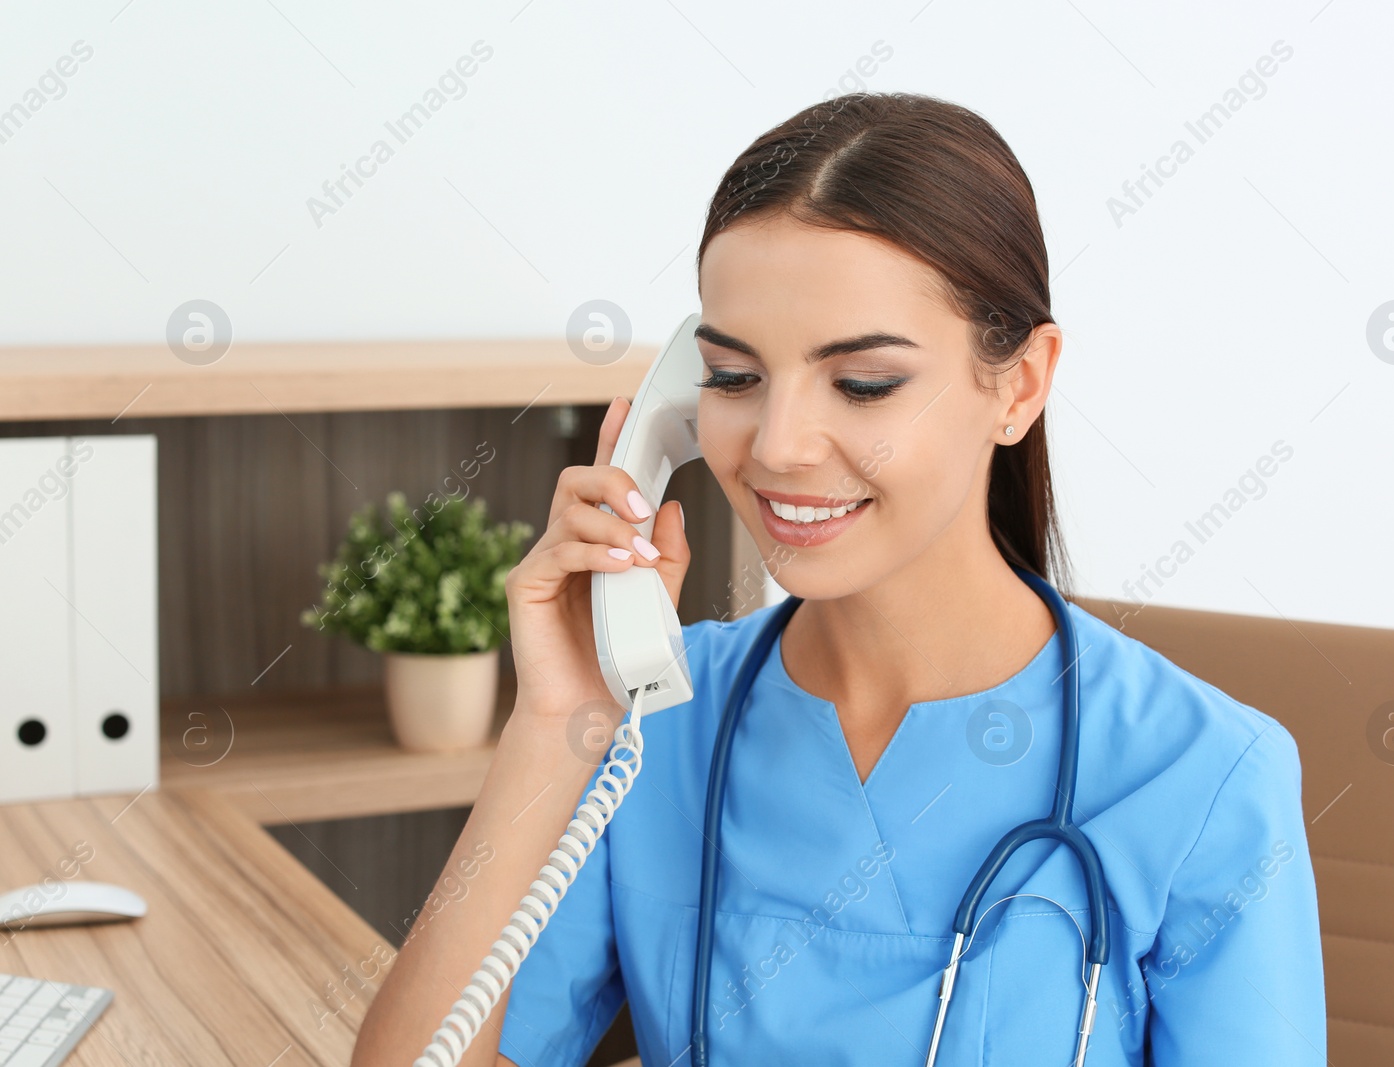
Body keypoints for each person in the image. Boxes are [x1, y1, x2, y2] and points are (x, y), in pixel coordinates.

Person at [354, 90, 1327, 1067]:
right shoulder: (650, 724)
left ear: (1019, 385)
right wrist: (550, 723)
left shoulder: (1204, 774)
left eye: (862, 383)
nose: (777, 447)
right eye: (733, 377)